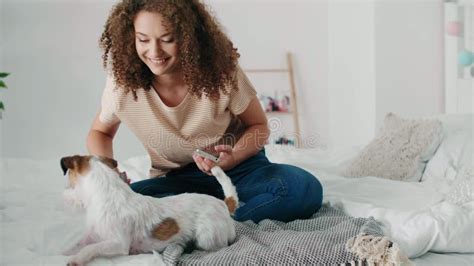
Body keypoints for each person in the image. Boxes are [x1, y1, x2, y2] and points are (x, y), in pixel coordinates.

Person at [87, 0, 322, 223]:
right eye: (143, 39)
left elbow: (259, 127)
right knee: (127, 206)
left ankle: (217, 221)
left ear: (188, 37)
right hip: (177, 181)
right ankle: (214, 216)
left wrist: (234, 156)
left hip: (241, 171)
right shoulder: (122, 86)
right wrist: (110, 171)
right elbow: (101, 132)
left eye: (167, 39)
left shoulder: (220, 72)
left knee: (302, 189)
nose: (154, 51)